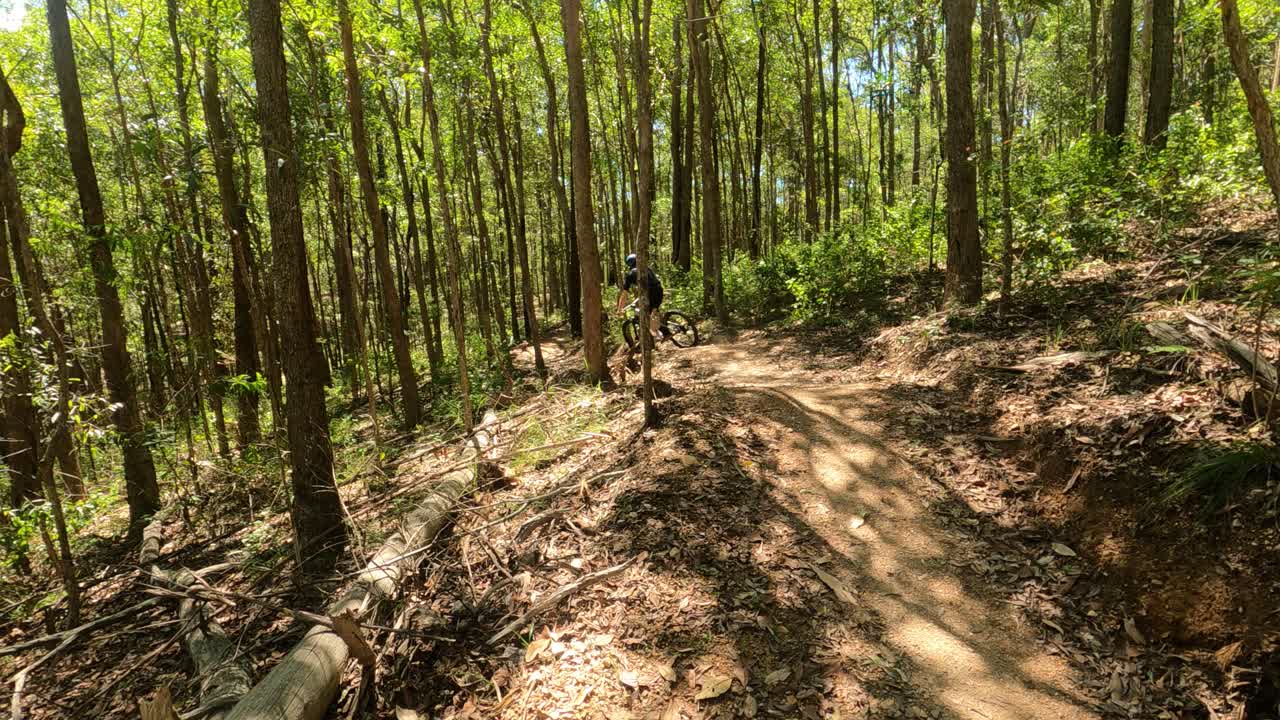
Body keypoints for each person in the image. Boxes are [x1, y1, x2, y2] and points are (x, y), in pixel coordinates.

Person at [616, 253, 664, 339]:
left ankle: (663, 333)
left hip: (650, 293)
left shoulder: (631, 274)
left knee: (644, 314)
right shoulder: (647, 268)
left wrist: (620, 309)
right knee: (654, 311)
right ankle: (663, 330)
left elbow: (624, 294)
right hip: (659, 290)